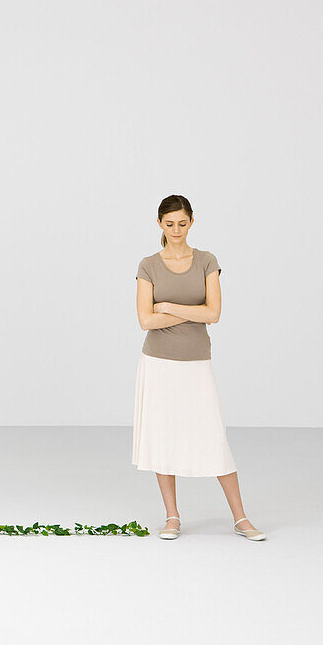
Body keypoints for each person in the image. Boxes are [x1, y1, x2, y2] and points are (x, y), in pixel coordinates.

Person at [133, 195, 266, 541]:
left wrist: (168, 305)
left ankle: (240, 518)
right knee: (163, 435)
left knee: (213, 436)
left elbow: (214, 314)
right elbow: (146, 320)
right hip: (158, 362)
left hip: (195, 360)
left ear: (191, 222)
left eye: (182, 222)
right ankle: (172, 516)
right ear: (159, 224)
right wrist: (186, 309)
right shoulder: (148, 265)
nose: (176, 230)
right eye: (169, 223)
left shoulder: (207, 261)